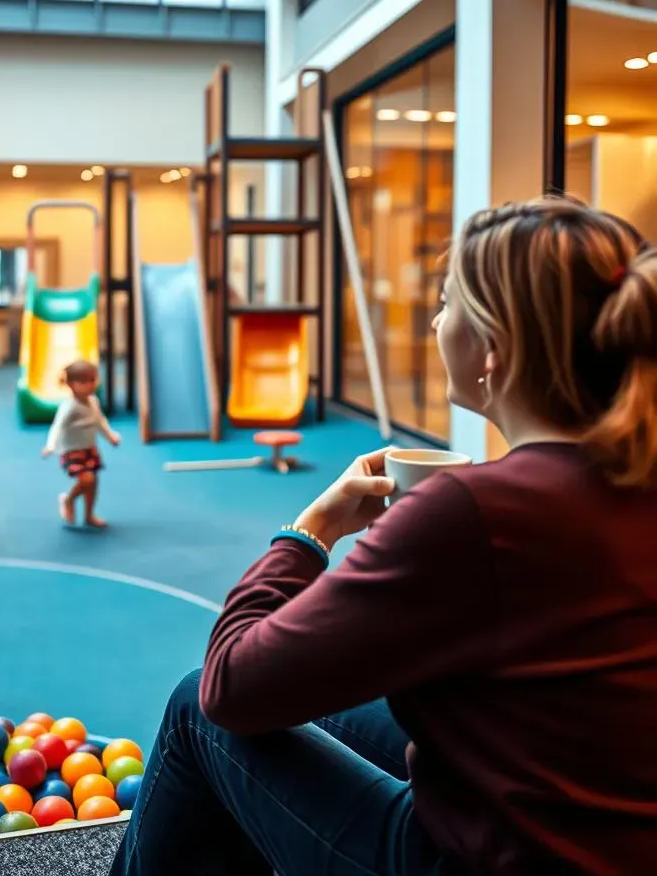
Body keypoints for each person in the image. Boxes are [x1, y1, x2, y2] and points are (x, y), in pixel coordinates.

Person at [110, 197, 657, 876]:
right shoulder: (630, 478)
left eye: (448, 302)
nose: (435, 320)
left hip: (489, 859)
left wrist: (309, 532)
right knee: (339, 708)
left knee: (198, 708)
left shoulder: (478, 510)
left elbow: (231, 685)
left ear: (492, 347)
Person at [42, 359, 120, 528]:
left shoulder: (93, 401)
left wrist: (110, 436)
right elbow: (58, 426)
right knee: (87, 480)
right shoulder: (70, 407)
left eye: (93, 380)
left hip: (89, 449)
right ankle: (68, 500)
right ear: (71, 384)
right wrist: (51, 445)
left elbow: (100, 421)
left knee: (93, 483)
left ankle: (89, 515)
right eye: (84, 382)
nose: (90, 385)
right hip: (72, 450)